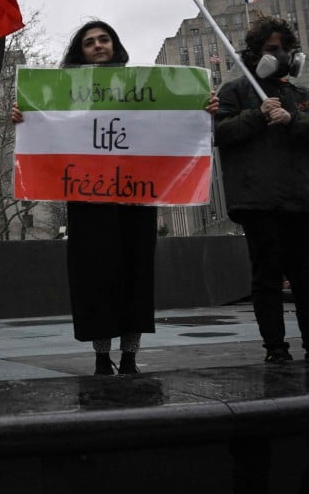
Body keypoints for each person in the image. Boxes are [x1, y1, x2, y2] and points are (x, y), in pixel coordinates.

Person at [12, 20, 218, 375]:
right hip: (89, 202)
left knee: (135, 275)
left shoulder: (145, 87)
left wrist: (204, 110)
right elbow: (48, 132)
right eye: (89, 41)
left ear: (115, 45)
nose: (97, 45)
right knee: (95, 277)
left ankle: (130, 356)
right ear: (81, 51)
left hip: (136, 200)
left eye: (103, 39)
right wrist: (25, 117)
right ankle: (101, 355)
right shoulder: (61, 91)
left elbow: (174, 130)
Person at [214, 16, 309, 364]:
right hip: (258, 200)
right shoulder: (234, 91)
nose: (283, 55)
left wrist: (294, 119)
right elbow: (219, 133)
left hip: (303, 200)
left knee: (306, 278)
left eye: (287, 48)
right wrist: (257, 115)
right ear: (256, 53)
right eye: (274, 49)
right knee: (267, 276)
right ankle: (276, 348)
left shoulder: (303, 95)